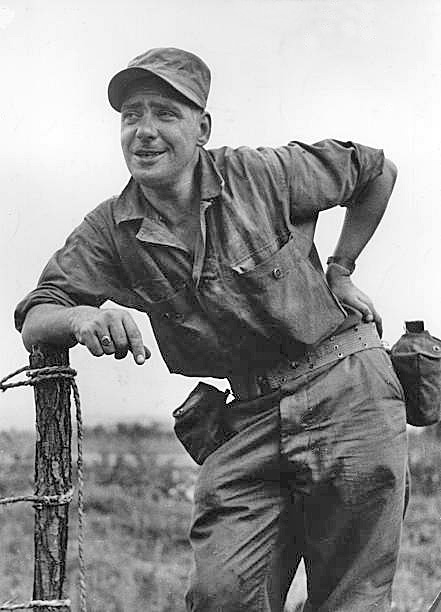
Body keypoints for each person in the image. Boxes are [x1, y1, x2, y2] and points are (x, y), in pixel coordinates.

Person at [15, 48, 407, 611]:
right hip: (248, 416)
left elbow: (376, 171)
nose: (144, 131)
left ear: (202, 128)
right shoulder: (111, 230)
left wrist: (341, 269)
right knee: (220, 594)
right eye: (131, 116)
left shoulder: (263, 174)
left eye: (165, 114)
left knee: (352, 599)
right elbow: (37, 313)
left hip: (347, 391)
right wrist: (81, 317)